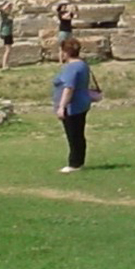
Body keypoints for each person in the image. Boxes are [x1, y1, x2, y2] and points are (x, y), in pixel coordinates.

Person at [51, 37, 92, 173]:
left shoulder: (72, 68)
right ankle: (78, 161)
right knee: (78, 134)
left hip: (73, 107)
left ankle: (74, 163)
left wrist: (62, 106)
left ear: (65, 52)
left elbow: (69, 88)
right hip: (82, 104)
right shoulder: (82, 64)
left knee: (73, 135)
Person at [0, 0, 15, 70]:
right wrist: (9, 3)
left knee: (9, 50)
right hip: (6, 33)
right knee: (8, 50)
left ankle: (6, 64)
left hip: (9, 33)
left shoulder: (9, 15)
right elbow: (3, 9)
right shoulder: (3, 15)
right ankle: (4, 65)